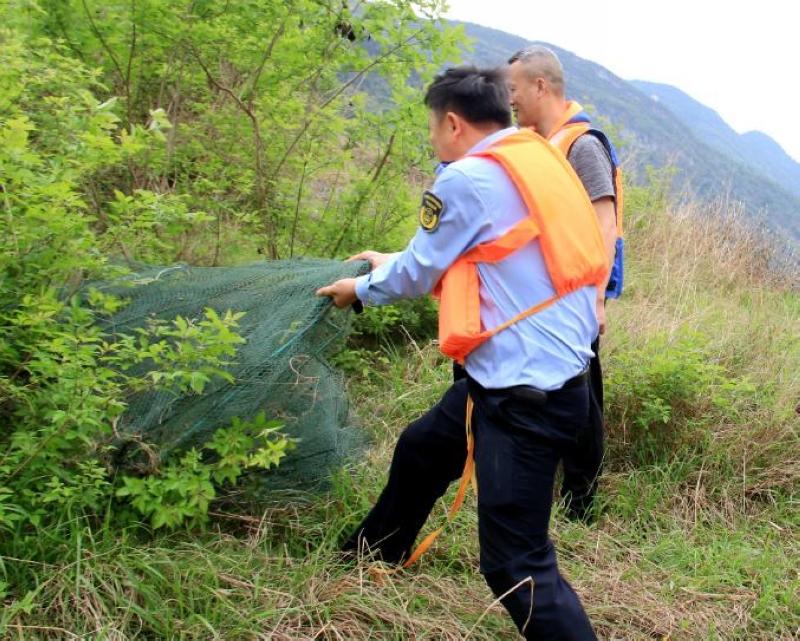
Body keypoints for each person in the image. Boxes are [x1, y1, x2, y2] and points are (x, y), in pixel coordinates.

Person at [317, 65, 605, 640]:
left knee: (514, 563)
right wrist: (390, 263)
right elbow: (465, 248)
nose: (432, 138)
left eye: (431, 127)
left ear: (452, 122)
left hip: (526, 399)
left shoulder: (467, 178)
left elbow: (421, 272)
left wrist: (361, 290)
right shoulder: (532, 156)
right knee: (424, 448)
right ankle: (371, 556)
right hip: (540, 377)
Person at [507, 46, 624, 521]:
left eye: (514, 88)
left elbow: (604, 226)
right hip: (548, 297)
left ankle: (581, 502)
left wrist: (594, 299)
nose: (509, 99)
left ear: (540, 86)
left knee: (583, 400)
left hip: (577, 297)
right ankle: (550, 484)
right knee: (560, 392)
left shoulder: (581, 145)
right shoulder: (540, 141)